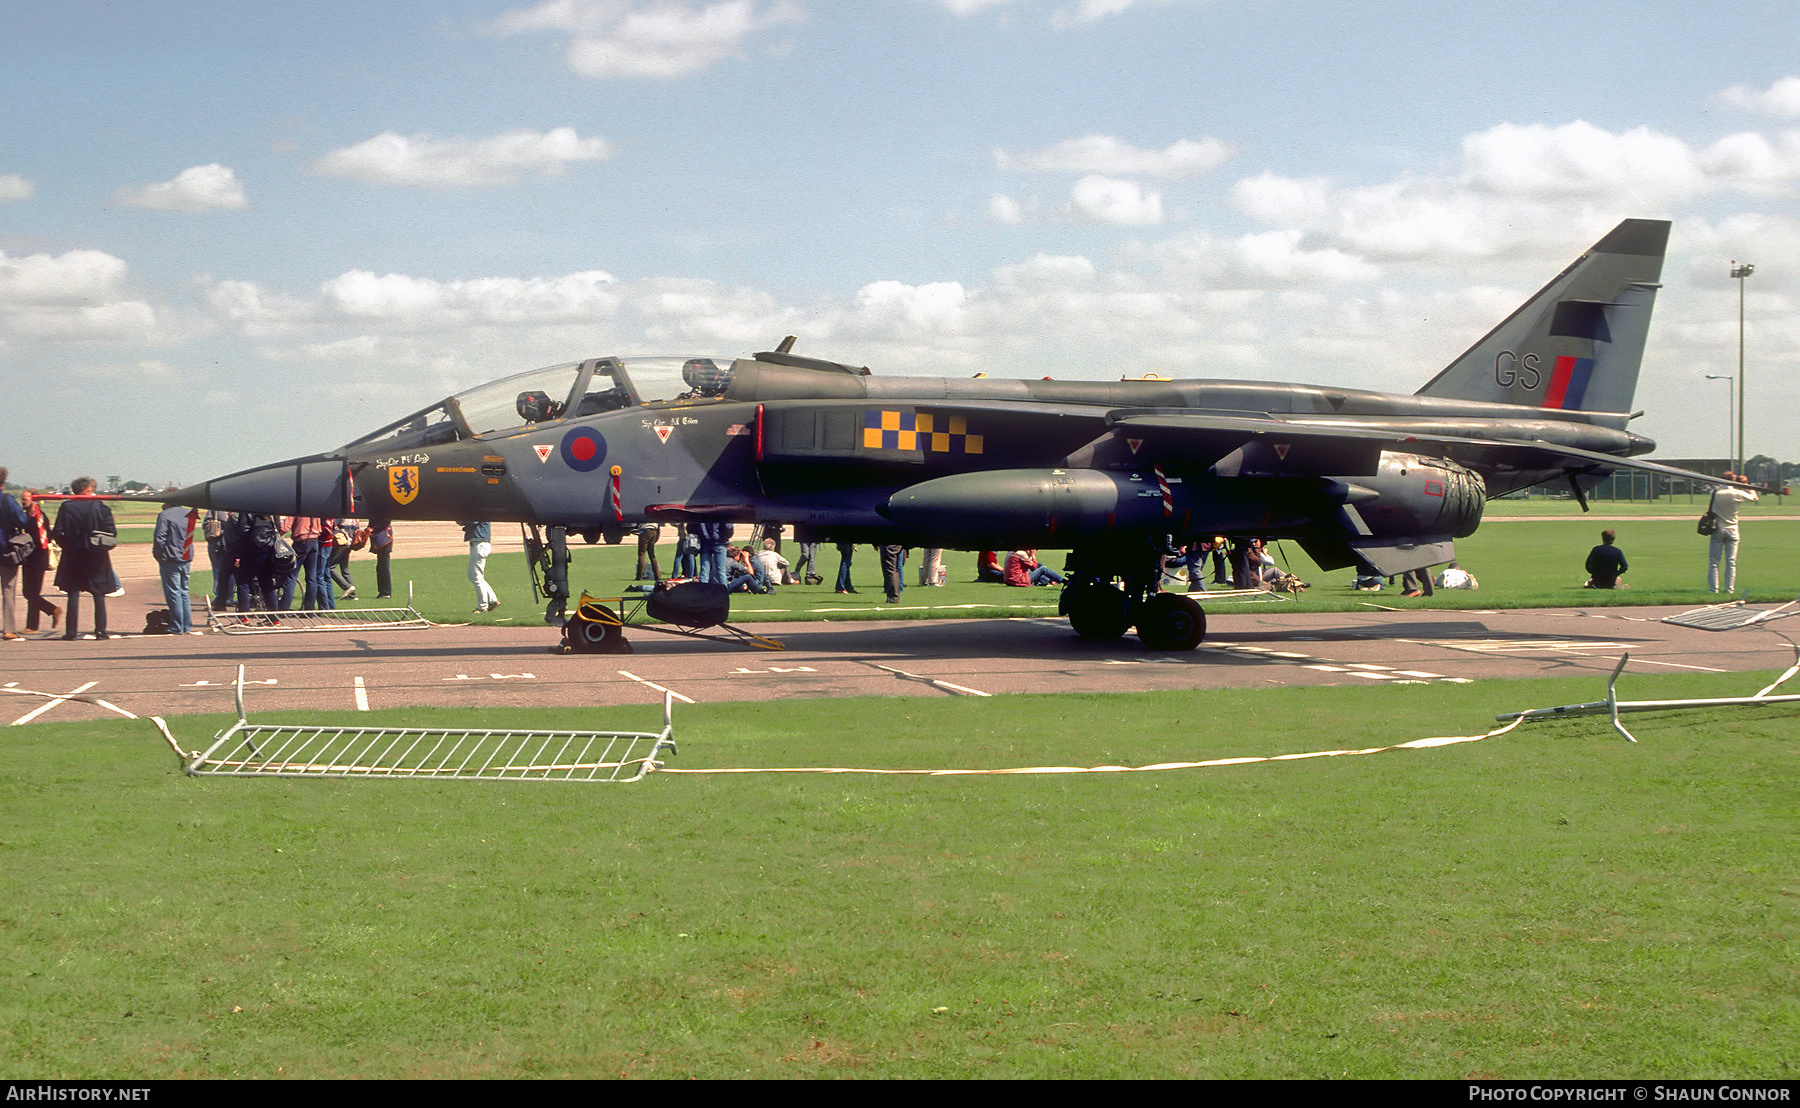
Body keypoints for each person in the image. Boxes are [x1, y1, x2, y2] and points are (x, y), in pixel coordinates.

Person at [51, 477, 117, 640]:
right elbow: (111, 532)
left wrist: (68, 545)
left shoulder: (66, 507)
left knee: (73, 593)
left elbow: (57, 532)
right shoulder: (100, 507)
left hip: (72, 554)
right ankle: (101, 631)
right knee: (98, 594)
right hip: (96, 555)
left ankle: (71, 632)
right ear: (87, 490)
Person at [1706, 472, 1759, 594]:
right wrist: (1745, 484)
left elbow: (1713, 490)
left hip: (1718, 528)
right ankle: (1730, 589)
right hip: (1733, 529)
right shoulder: (1737, 494)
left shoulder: (1716, 493)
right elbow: (1754, 497)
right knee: (1731, 561)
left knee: (1714, 561)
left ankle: (1714, 589)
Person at [17, 490, 60, 633]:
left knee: (31, 593)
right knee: (29, 593)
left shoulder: (38, 517)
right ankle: (33, 625)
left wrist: (24, 538)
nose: (23, 502)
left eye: (25, 499)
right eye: (22, 499)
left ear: (34, 499)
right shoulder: (27, 515)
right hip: (29, 558)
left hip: (38, 558)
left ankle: (50, 612)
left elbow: (43, 539)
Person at [152, 502, 199, 634]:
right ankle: (186, 625)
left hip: (171, 557)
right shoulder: (189, 514)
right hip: (186, 556)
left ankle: (177, 626)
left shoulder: (165, 515)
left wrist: (158, 555)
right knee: (184, 591)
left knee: (173, 592)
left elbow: (159, 538)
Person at [0, 467, 26, 641]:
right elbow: (22, 520)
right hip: (6, 549)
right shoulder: (8, 501)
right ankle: (9, 629)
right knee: (8, 589)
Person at [462, 520, 499, 611]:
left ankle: (482, 606)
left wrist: (462, 521)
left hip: (480, 544)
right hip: (480, 543)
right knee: (476, 576)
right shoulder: (482, 509)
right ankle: (493, 600)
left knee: (475, 577)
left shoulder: (480, 510)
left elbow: (473, 521)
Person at [368, 518, 393, 599]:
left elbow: (385, 521)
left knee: (384, 567)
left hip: (384, 539)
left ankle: (386, 592)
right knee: (380, 567)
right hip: (380, 538)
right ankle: (382, 591)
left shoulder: (384, 511)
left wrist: (373, 528)